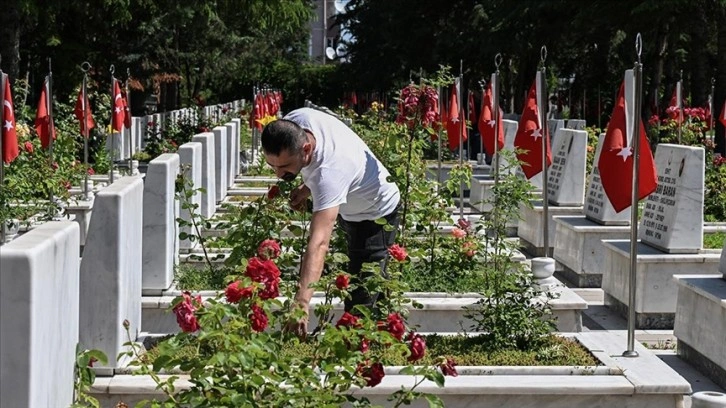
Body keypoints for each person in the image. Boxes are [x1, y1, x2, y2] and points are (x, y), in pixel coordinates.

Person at [261, 107, 401, 338]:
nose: (277, 174)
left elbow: (319, 243)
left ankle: (357, 347)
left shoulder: (330, 174)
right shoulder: (297, 121)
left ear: (306, 149)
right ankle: (384, 327)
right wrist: (308, 188)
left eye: (284, 167)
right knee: (366, 274)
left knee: (361, 292)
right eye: (272, 165)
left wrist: (302, 303)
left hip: (376, 214)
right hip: (352, 206)